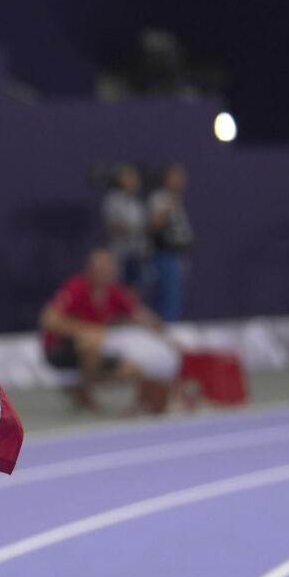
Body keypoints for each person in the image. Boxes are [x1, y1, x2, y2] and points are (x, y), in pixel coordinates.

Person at [39, 247, 181, 413]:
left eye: (107, 270)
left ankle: (141, 401)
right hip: (60, 349)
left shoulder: (115, 292)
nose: (103, 274)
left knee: (132, 366)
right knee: (90, 340)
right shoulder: (76, 288)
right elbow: (48, 320)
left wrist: (168, 337)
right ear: (89, 270)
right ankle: (82, 390)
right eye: (99, 270)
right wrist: (85, 330)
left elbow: (142, 316)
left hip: (96, 348)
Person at [144, 163, 193, 322]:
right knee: (165, 295)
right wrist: (167, 210)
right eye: (177, 177)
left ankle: (171, 324)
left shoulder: (175, 199)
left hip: (176, 254)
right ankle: (164, 326)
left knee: (174, 295)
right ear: (167, 178)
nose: (181, 181)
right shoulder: (159, 198)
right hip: (163, 254)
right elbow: (152, 223)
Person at [101, 163, 148, 292]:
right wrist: (133, 229)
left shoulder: (136, 201)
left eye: (134, 177)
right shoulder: (112, 199)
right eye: (129, 177)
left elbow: (144, 225)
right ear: (120, 179)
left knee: (135, 290)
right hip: (119, 253)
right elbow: (114, 226)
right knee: (115, 289)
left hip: (136, 252)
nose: (133, 180)